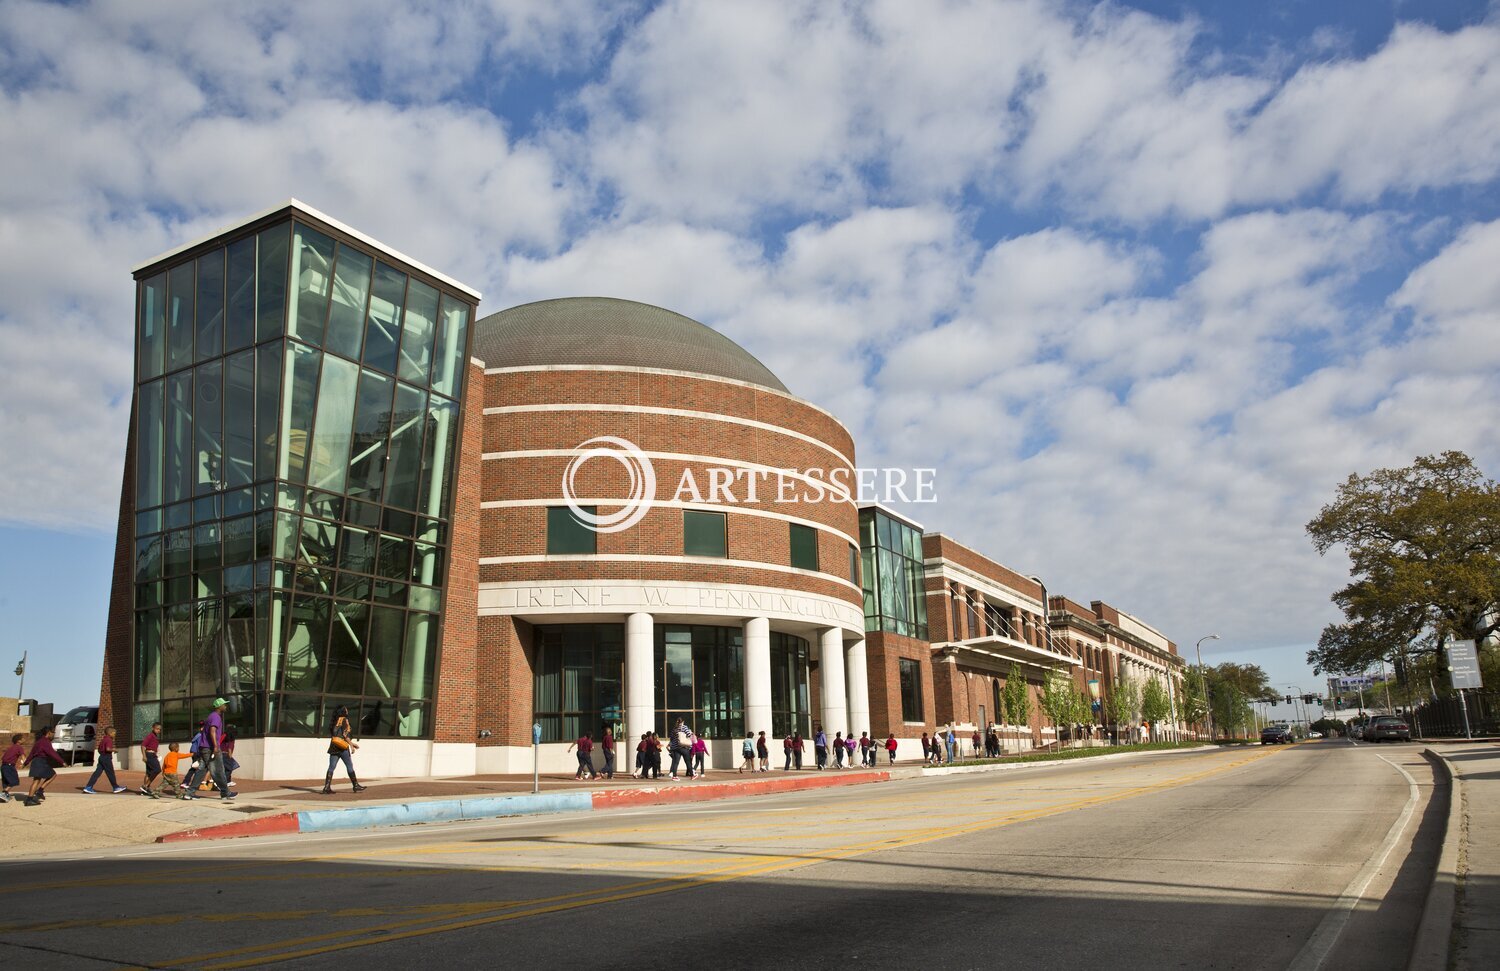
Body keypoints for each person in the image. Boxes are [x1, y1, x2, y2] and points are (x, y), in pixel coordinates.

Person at [322, 704, 366, 794]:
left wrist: (352, 744)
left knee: (331, 767)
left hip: (334, 746)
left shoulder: (334, 720)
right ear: (343, 711)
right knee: (349, 765)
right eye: (346, 709)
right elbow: (345, 735)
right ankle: (355, 785)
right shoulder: (344, 720)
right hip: (342, 747)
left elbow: (336, 735)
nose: (347, 710)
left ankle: (326, 787)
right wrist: (351, 746)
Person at [21, 725, 65, 806]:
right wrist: (62, 762)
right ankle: (32, 797)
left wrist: (25, 763)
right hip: (41, 762)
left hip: (36, 762)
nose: (54, 734)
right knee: (40, 779)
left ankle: (35, 794)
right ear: (49, 733)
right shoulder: (45, 742)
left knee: (46, 777)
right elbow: (52, 753)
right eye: (53, 732)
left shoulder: (39, 741)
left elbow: (31, 754)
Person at [82, 726, 127, 794]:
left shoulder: (103, 740)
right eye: (114, 733)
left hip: (101, 757)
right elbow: (108, 749)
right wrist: (114, 750)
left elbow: (99, 750)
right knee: (110, 773)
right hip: (106, 758)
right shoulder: (109, 740)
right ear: (110, 733)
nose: (115, 735)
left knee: (97, 773)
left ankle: (88, 787)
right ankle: (115, 787)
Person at [139, 722, 163, 796]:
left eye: (160, 729)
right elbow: (143, 745)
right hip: (149, 755)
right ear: (153, 728)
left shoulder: (155, 736)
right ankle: (145, 786)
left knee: (149, 773)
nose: (158, 730)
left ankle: (144, 791)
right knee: (157, 769)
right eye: (157, 729)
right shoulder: (150, 736)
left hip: (153, 754)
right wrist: (144, 756)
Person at [1, 733, 25, 803]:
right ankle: (4, 793)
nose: (24, 740)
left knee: (6, 782)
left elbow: (3, 757)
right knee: (14, 781)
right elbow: (23, 756)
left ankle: (4, 796)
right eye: (23, 738)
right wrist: (24, 764)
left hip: (3, 766)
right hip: (9, 766)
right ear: (19, 741)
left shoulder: (11, 747)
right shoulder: (19, 747)